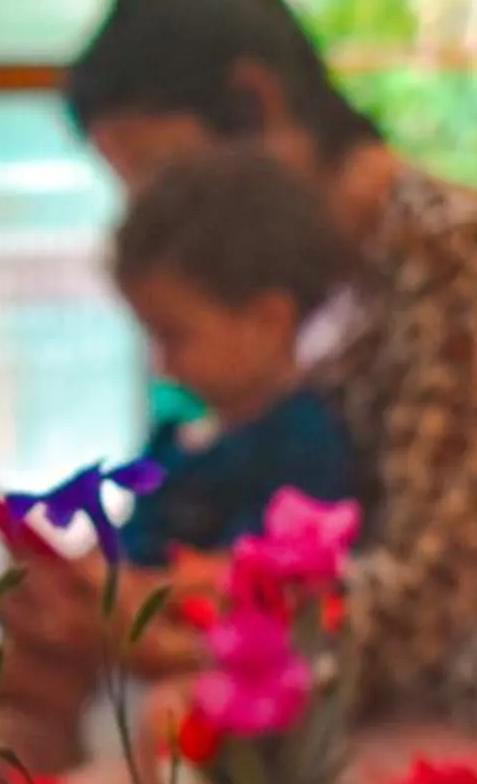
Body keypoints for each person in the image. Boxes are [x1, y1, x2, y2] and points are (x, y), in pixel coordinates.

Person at [0, 0, 477, 784]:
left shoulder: (462, 264)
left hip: (469, 718)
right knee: (21, 673)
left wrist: (185, 623)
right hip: (329, 695)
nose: (156, 218)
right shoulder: (335, 279)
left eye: (165, 177)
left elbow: (434, 594)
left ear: (257, 102)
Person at [110, 147, 361, 568]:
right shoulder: (173, 440)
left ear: (269, 320)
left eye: (175, 337)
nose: (162, 365)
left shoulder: (303, 447)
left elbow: (252, 582)